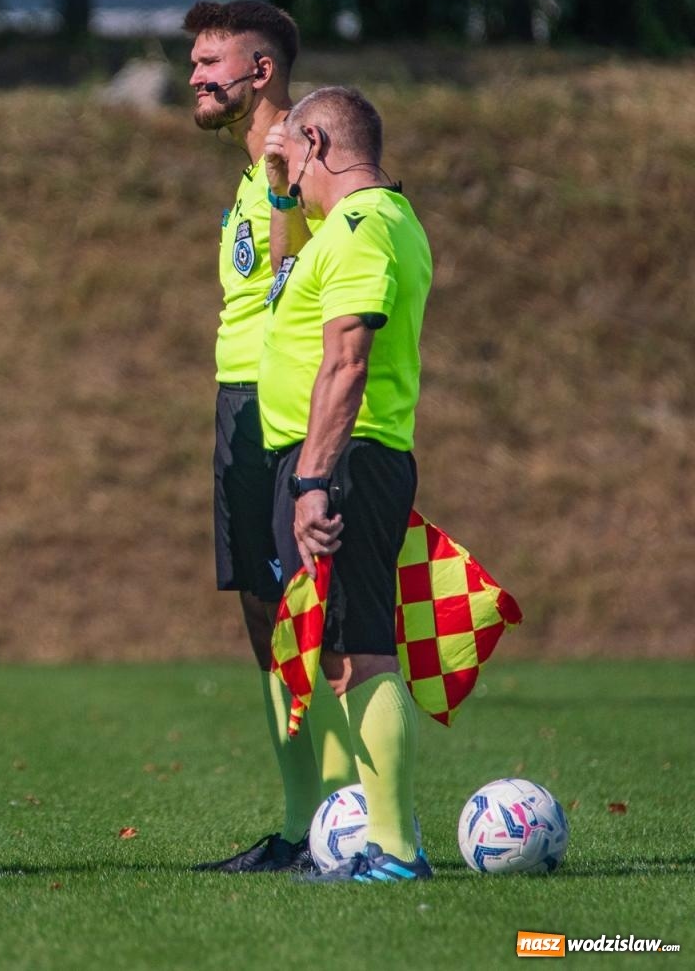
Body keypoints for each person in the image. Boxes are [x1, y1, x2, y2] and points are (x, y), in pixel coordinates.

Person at [183, 1, 357, 874]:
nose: (194, 77)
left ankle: (353, 821)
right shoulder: (257, 175)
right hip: (240, 406)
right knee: (264, 614)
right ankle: (301, 826)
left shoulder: (305, 157)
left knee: (313, 620)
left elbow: (323, 281)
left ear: (261, 72)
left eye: (210, 61)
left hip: (288, 412)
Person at [260, 86, 434, 882]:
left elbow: (347, 361)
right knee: (342, 651)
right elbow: (288, 274)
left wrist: (313, 479)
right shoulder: (359, 225)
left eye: (292, 152)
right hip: (343, 457)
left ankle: (396, 850)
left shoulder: (363, 227)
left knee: (360, 652)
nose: (286, 170)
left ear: (321, 141)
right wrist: (275, 192)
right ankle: (386, 843)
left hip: (344, 459)